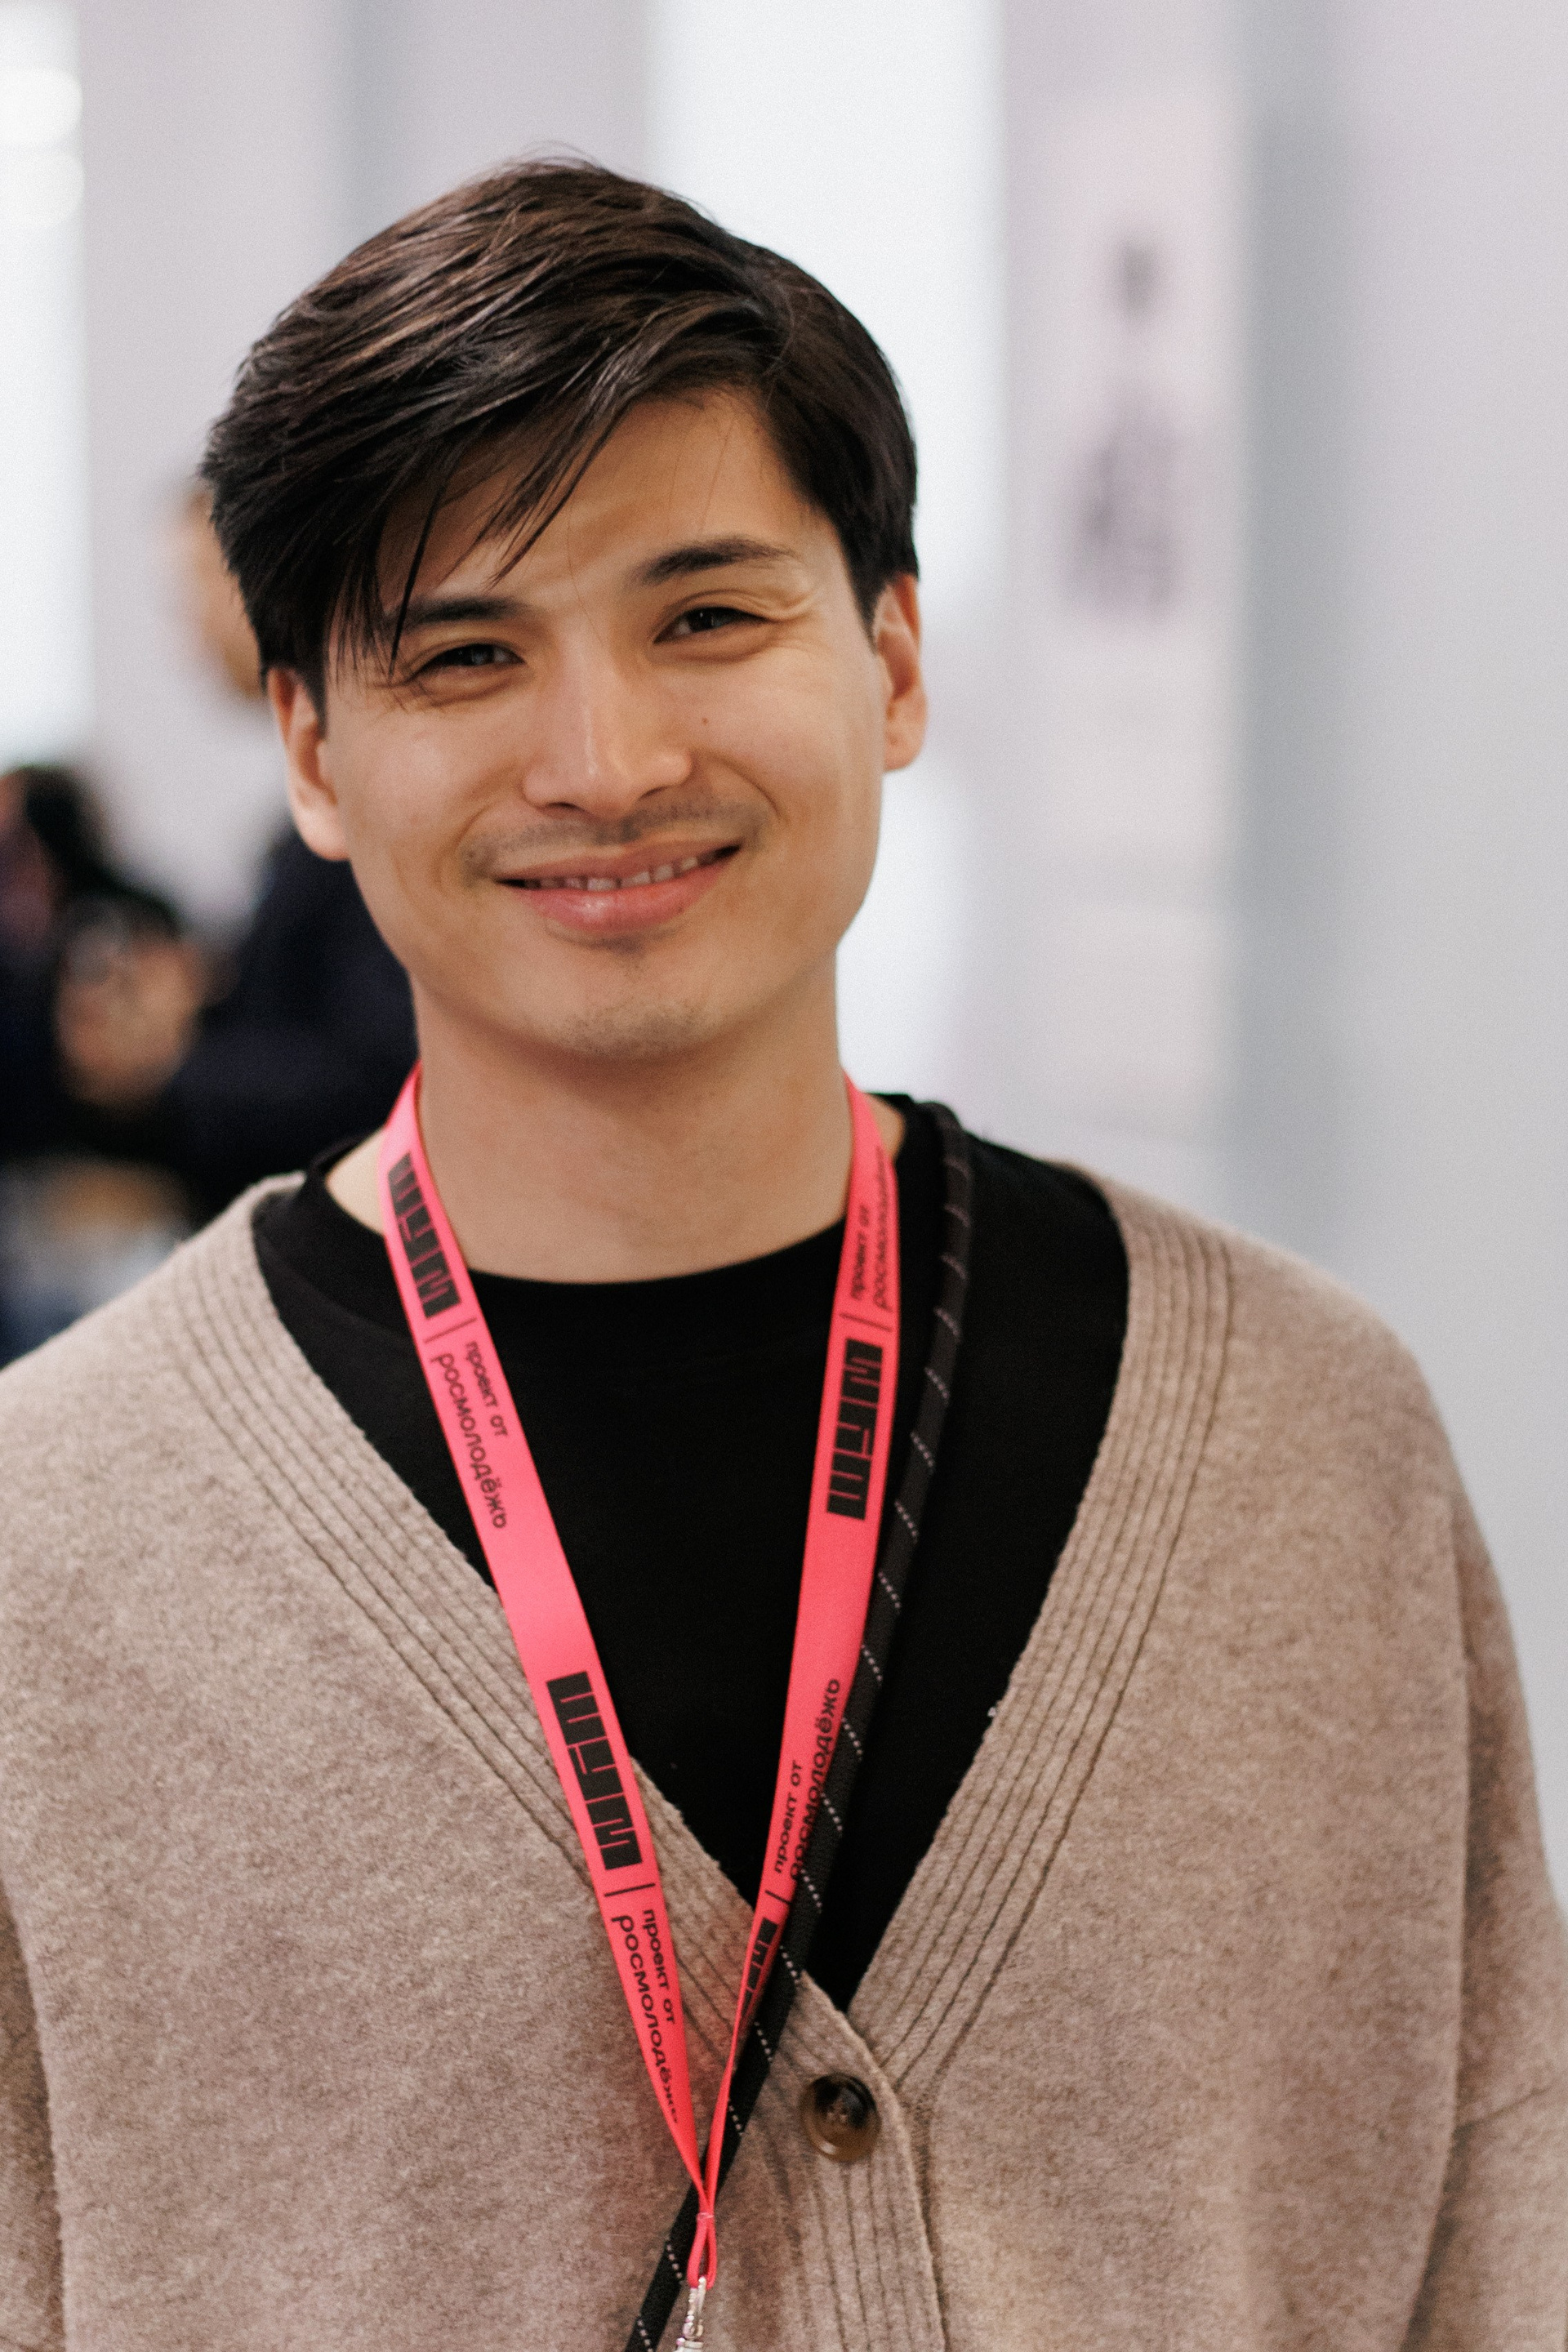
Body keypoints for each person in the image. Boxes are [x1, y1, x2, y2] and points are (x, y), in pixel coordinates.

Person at [0, 163, 1561, 2352]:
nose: (608, 761)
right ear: (314, 754)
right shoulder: (54, 1547)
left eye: (708, 619)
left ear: (893, 660)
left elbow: (1502, 2250)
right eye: (467, 654)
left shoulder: (1305, 1443)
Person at [52, 492, 415, 1214]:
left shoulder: (362, 808)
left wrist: (168, 1070)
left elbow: (374, 1074)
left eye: (194, 591)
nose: (188, 636)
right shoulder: (305, 815)